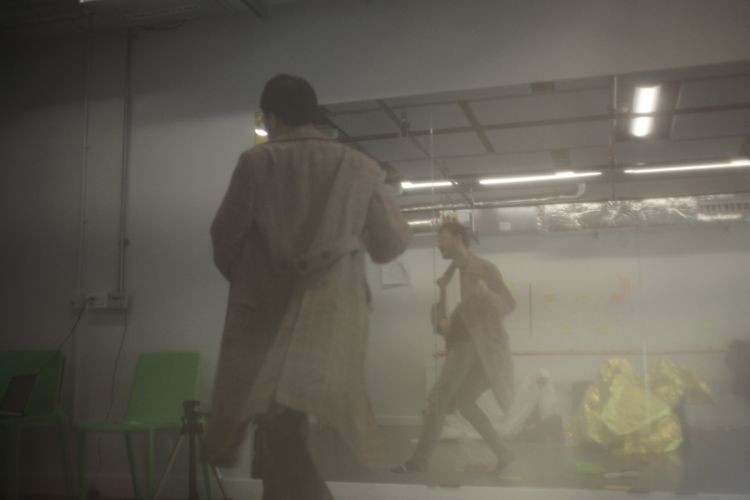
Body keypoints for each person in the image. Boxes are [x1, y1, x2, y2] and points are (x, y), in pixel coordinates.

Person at [204, 74, 411, 500]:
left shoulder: (256, 163)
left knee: (278, 422)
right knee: (283, 421)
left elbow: (225, 238)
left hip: (264, 314)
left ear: (272, 118)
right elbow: (390, 243)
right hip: (332, 315)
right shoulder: (360, 167)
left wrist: (251, 281)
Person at [392, 221, 515, 474]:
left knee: (438, 399)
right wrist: (440, 323)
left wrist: (487, 295)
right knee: (463, 402)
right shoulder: (447, 276)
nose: (438, 244)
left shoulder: (485, 269)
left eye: (442, 239)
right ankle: (504, 452)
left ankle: (419, 461)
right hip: (461, 345)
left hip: (478, 347)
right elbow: (441, 314)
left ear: (458, 238)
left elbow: (507, 305)